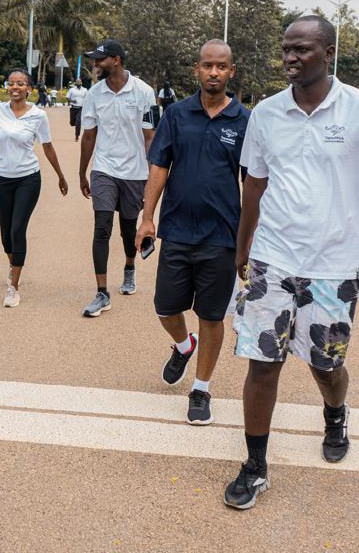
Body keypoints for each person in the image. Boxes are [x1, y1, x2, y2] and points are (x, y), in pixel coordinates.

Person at [223, 15, 359, 510]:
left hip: (335, 267)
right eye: (286, 48)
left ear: (328, 52)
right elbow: (255, 186)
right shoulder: (265, 114)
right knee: (261, 364)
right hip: (272, 258)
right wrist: (243, 248)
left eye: (302, 49)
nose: (291, 57)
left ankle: (335, 410)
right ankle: (255, 465)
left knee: (326, 367)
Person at [135, 39, 249, 426]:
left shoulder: (245, 121)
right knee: (165, 307)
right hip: (178, 230)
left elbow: (253, 183)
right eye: (207, 66)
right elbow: (159, 166)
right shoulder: (177, 114)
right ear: (196, 69)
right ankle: (184, 346)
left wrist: (250, 240)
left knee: (212, 315)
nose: (214, 72)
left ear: (232, 72)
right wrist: (147, 217)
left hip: (223, 236)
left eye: (221, 67)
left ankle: (201, 389)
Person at [0, 70, 69, 308]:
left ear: (29, 89)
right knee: (5, 235)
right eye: (11, 83)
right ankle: (14, 264)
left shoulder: (38, 115)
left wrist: (61, 176)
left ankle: (13, 287)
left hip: (28, 178)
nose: (15, 87)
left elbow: (48, 147)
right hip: (1, 178)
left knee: (17, 230)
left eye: (20, 84)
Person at [78, 39, 157, 317]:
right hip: (104, 169)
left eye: (100, 59)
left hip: (135, 172)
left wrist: (152, 176)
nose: (96, 64)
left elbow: (151, 137)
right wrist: (82, 171)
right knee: (101, 226)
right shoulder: (94, 94)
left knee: (127, 228)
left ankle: (129, 267)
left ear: (117, 60)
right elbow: (89, 135)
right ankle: (101, 293)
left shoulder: (145, 92)